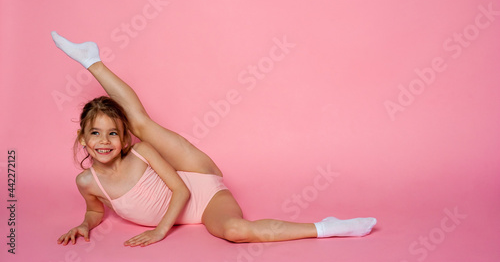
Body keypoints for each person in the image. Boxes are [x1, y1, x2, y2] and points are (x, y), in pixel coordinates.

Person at [52, 31, 377, 247]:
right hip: (200, 211)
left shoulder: (140, 151)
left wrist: (161, 230)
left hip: (197, 181)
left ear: (124, 142)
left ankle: (90, 60)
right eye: (95, 133)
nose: (104, 140)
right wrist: (85, 225)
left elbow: (181, 189)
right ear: (82, 138)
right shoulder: (87, 182)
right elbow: (95, 211)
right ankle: (327, 225)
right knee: (235, 231)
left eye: (113, 133)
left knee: (142, 124)